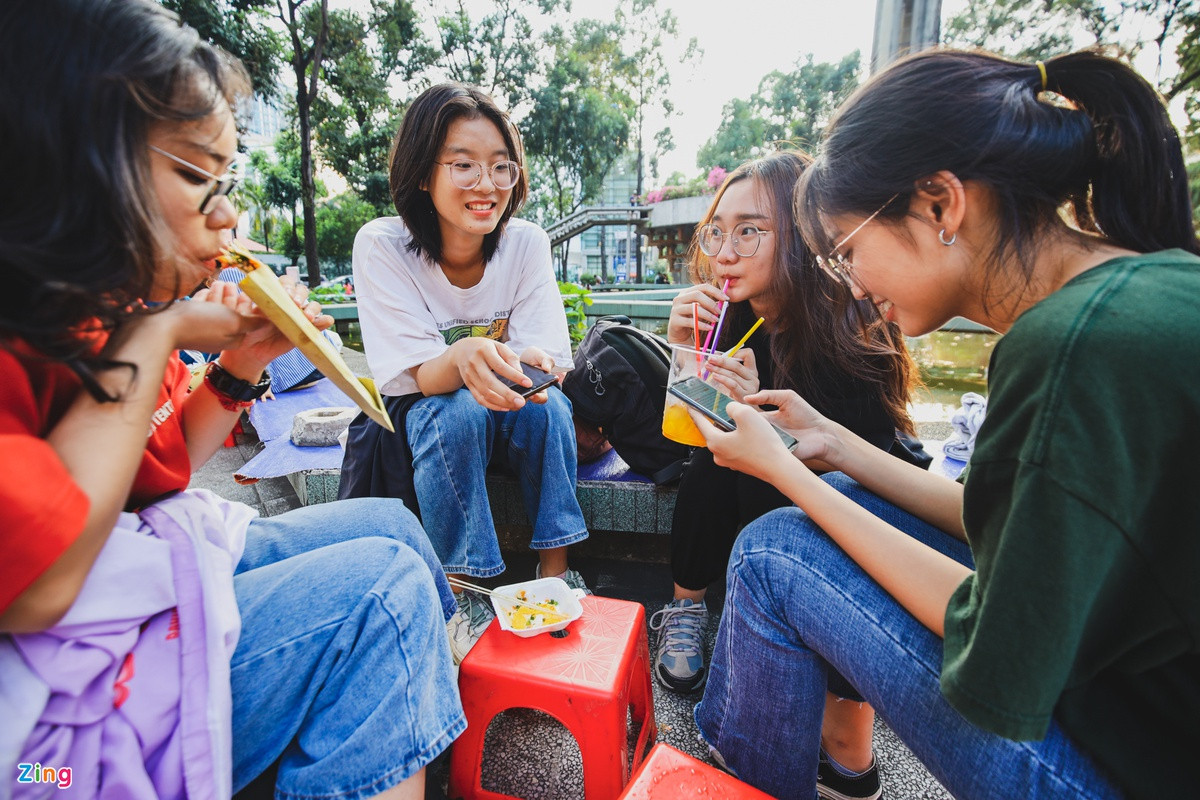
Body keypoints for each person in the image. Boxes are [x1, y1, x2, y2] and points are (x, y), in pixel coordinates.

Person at [690, 48, 1199, 800]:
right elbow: (1014, 530)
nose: (852, 279)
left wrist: (787, 470)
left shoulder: (1068, 348)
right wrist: (837, 448)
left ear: (940, 204)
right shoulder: (1152, 288)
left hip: (1122, 768)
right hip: (1142, 710)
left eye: (850, 250)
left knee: (772, 553)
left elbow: (996, 651)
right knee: (838, 511)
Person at [0, 3, 463, 798]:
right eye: (192, 175)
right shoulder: (90, 325)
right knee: (381, 598)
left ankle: (410, 734)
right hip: (38, 755)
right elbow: (36, 584)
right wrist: (159, 329)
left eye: (227, 182)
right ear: (69, 159)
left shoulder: (95, 308)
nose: (226, 217)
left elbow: (155, 469)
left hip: (128, 563)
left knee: (390, 522)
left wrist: (242, 359)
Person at [651, 152, 916, 798]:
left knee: (771, 480)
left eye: (751, 231)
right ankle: (688, 610)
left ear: (798, 237)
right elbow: (681, 430)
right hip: (762, 512)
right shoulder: (733, 317)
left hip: (856, 518)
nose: (725, 252)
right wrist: (684, 353)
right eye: (718, 231)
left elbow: (852, 482)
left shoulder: (851, 328)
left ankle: (844, 725)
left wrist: (763, 419)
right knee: (712, 459)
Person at [338, 82, 589, 663]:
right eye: (464, 165)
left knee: (550, 405)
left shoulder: (524, 243)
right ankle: (464, 589)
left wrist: (512, 364)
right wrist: (462, 358)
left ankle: (558, 567)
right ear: (424, 173)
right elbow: (417, 377)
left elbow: (544, 355)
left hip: (513, 405)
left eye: (502, 167)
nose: (488, 184)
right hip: (429, 418)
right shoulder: (383, 245)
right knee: (454, 410)